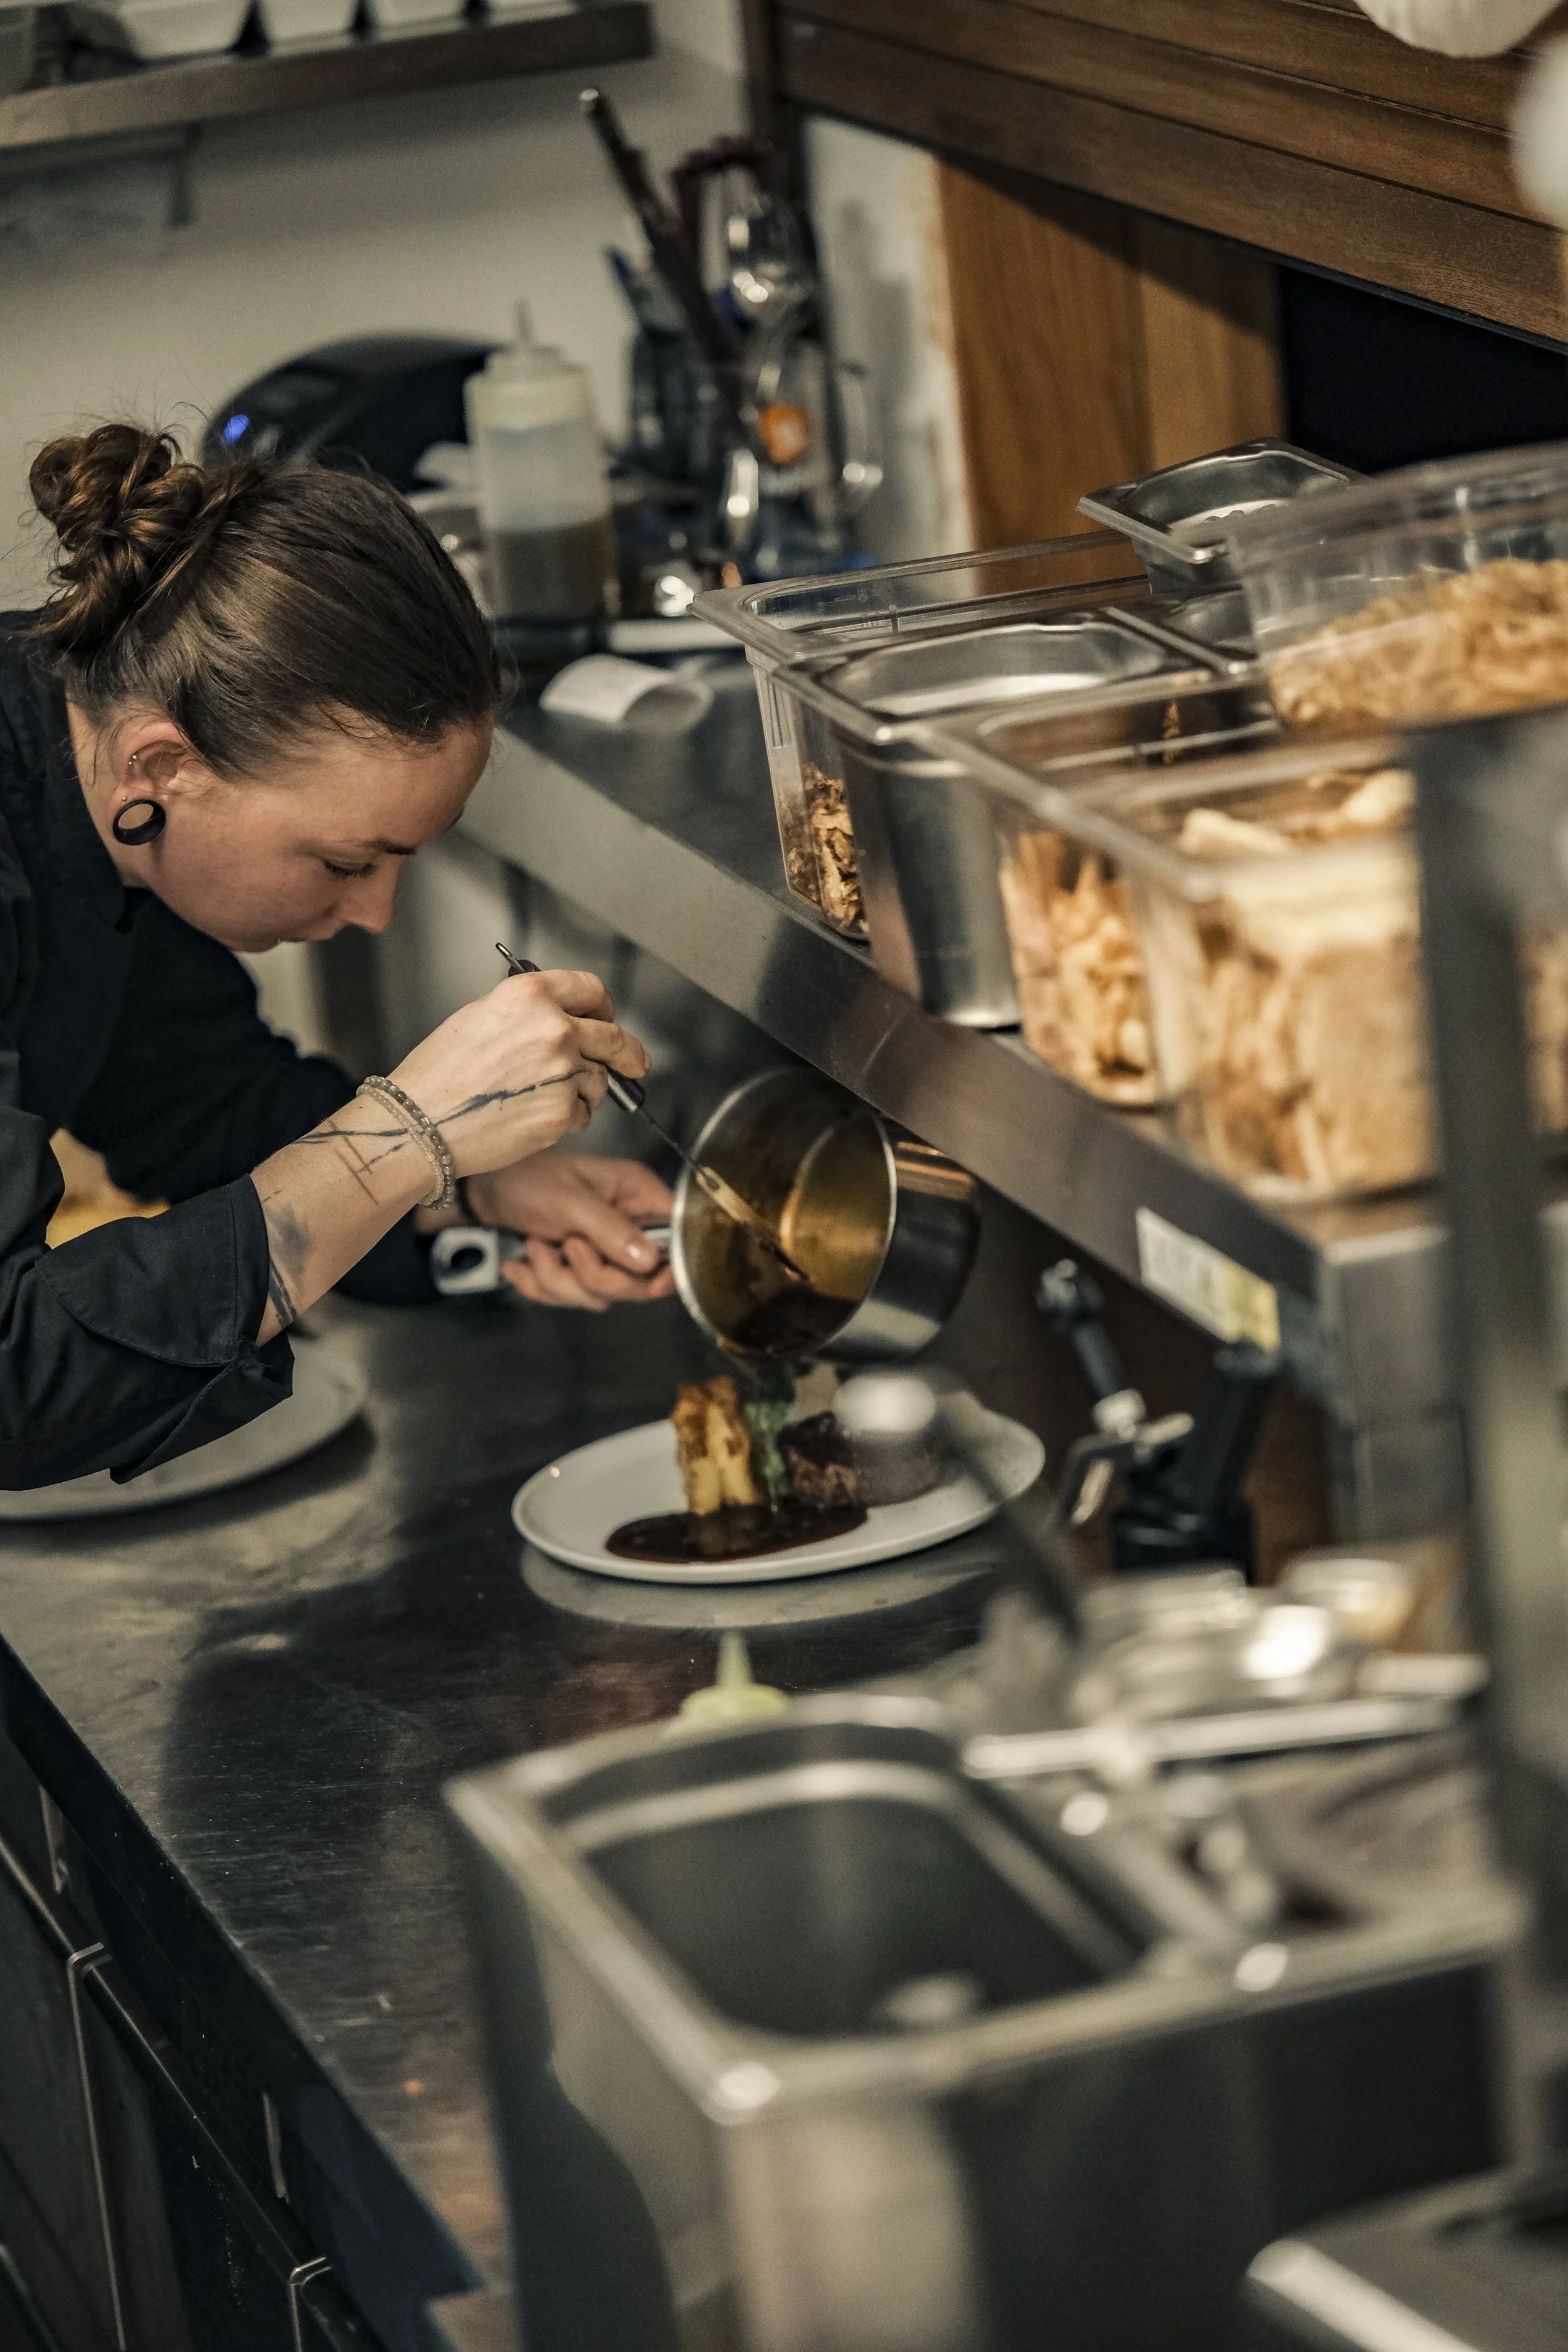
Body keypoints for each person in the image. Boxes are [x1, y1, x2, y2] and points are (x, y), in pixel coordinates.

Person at [0, 421, 675, 1491]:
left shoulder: (99, 801)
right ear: (163, 766)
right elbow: (16, 1375)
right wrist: (404, 1136)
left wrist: (469, 1194)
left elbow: (201, 1103)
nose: (372, 913)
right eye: (345, 860)